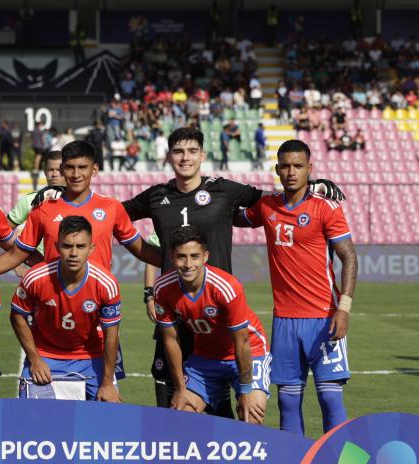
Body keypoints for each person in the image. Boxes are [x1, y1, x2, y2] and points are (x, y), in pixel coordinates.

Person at [124, 127, 344, 416]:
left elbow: (274, 199)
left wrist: (312, 187)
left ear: (202, 155)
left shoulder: (223, 189)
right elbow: (112, 215)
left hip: (218, 309)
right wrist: (152, 254)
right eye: (178, 151)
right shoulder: (156, 196)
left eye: (192, 151)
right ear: (168, 156)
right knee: (171, 396)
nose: (185, 157)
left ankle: (229, 452)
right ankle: (177, 457)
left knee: (234, 402)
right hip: (176, 305)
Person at [238, 140, 358, 435]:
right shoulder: (266, 207)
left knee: (330, 397)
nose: (291, 172)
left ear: (310, 169)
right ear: (277, 169)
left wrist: (343, 309)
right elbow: (231, 216)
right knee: (288, 402)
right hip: (285, 321)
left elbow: (349, 257)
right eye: (285, 166)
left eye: (298, 166)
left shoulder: (325, 208)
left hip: (324, 318)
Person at [0, 140, 161, 277]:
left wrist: (176, 263)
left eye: (82, 167)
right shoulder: (42, 209)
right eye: (70, 168)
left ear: (94, 170)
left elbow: (141, 249)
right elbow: (16, 254)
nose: (76, 174)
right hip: (53, 300)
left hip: (96, 305)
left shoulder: (111, 207)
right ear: (62, 170)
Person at [153, 226, 270, 424]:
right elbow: (171, 340)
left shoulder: (226, 286)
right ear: (172, 257)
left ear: (205, 256)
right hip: (205, 357)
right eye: (181, 256)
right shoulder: (163, 288)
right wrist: (181, 390)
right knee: (181, 413)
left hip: (249, 351)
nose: (188, 264)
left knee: (251, 415)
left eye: (194, 256)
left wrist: (247, 390)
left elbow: (242, 342)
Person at [11, 216, 122, 402]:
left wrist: (108, 382)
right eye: (67, 246)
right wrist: (35, 359)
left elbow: (111, 334)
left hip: (90, 357)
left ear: (91, 249)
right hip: (45, 355)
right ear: (56, 246)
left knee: (107, 423)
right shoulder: (36, 278)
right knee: (34, 424)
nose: (73, 253)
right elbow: (17, 316)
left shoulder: (106, 283)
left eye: (80, 246)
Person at [6, 151, 64, 231]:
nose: (54, 174)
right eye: (51, 170)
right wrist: (16, 243)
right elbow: (2, 232)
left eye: (59, 170)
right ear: (45, 172)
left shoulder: (76, 199)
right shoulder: (30, 200)